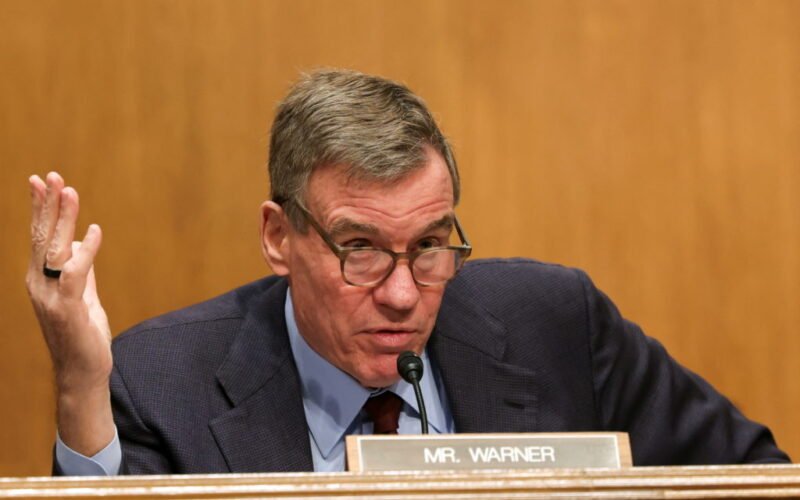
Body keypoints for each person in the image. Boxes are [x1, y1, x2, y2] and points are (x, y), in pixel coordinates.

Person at [27, 69, 789, 475]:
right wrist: (79, 389)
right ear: (279, 237)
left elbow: (757, 479)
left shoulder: (558, 324)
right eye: (359, 248)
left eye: (429, 245)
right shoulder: (163, 383)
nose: (401, 295)